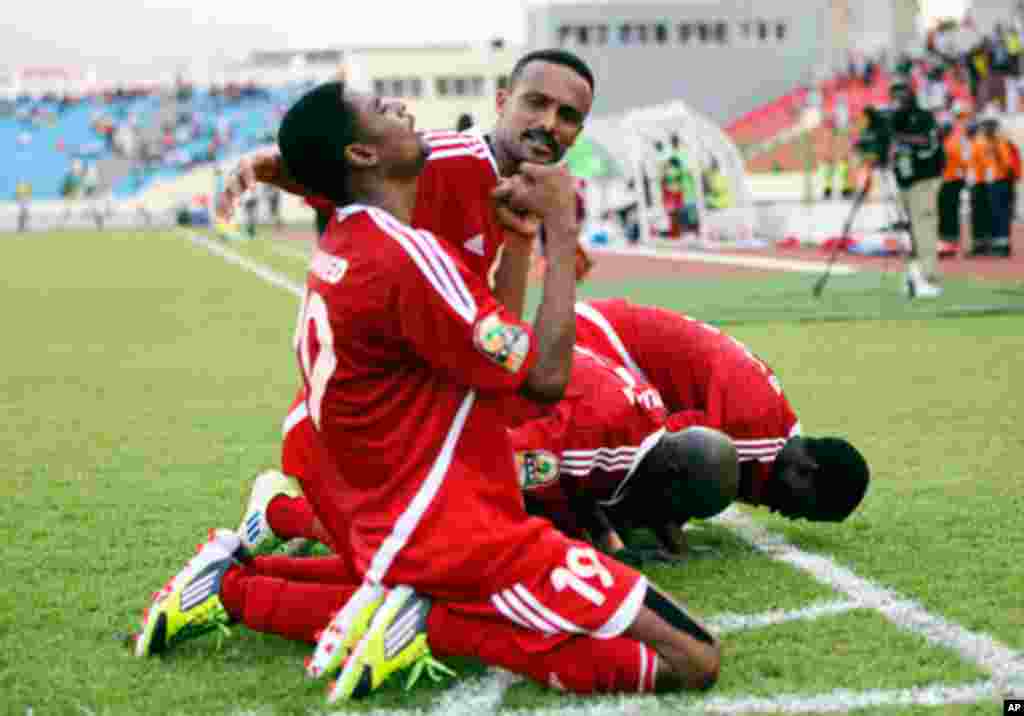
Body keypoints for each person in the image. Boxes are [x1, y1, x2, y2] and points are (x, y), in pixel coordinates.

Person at [137, 81, 723, 702]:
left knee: (399, 582)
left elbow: (490, 365)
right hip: (457, 531)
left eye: (569, 115)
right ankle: (431, 620)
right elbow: (545, 380)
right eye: (382, 110)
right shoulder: (407, 254)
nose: (402, 109)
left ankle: (240, 586)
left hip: (387, 507)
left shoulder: (347, 239)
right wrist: (559, 223)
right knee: (694, 658)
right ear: (363, 155)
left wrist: (521, 241)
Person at [220, 49, 599, 555]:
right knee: (455, 554)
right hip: (363, 431)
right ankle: (276, 529)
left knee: (524, 459)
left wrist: (522, 243)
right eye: (536, 103)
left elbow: (498, 340)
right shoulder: (436, 162)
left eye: (569, 117)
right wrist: (271, 165)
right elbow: (337, 167)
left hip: (398, 410)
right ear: (502, 101)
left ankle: (301, 524)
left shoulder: (518, 194)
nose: (549, 124)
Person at [573, 298, 870, 551]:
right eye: (804, 510)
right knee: (605, 471)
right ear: (807, 470)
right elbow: (655, 448)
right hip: (589, 339)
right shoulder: (752, 435)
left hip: (600, 333)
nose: (790, 516)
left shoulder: (773, 429)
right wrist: (668, 536)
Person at [512, 346, 739, 565]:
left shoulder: (648, 418)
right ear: (671, 475)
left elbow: (583, 480)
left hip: (525, 356)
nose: (675, 520)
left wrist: (612, 544)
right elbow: (504, 463)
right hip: (492, 371)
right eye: (679, 509)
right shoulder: (593, 435)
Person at [888, 80, 946, 299]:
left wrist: (898, 137)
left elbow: (927, 141)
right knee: (910, 231)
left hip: (924, 180)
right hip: (903, 181)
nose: (898, 99)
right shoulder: (894, 120)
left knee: (924, 228)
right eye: (894, 95)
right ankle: (914, 276)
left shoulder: (924, 117)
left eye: (902, 94)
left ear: (911, 94)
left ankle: (930, 278)